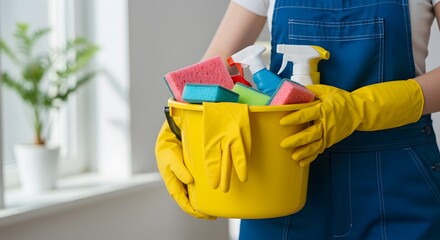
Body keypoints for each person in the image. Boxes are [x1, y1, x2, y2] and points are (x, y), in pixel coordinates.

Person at [156, 0, 440, 239]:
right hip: (278, 179)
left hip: (398, 180)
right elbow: (215, 68)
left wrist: (361, 108)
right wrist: (179, 126)